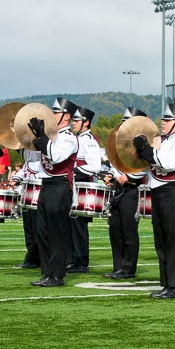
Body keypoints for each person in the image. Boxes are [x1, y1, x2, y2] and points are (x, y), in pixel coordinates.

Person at [133, 104, 175, 299]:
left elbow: (167, 164)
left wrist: (147, 149)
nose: (163, 123)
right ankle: (167, 283)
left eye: (168, 120)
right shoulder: (163, 141)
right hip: (159, 192)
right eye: (164, 119)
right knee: (161, 241)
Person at [27, 97, 79, 287]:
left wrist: (41, 138)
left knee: (57, 233)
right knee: (42, 231)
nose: (51, 115)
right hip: (46, 185)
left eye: (56, 113)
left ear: (66, 117)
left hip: (60, 186)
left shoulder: (68, 138)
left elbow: (56, 157)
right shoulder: (50, 135)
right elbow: (32, 158)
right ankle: (47, 272)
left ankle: (57, 275)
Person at [103, 107, 150, 280]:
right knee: (115, 228)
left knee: (129, 230)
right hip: (118, 188)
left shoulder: (145, 143)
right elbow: (114, 163)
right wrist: (111, 175)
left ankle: (128, 268)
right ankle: (118, 266)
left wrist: (129, 176)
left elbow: (146, 166)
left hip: (132, 189)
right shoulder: (120, 143)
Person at [66, 106, 102, 274]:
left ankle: (81, 262)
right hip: (71, 186)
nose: (73, 123)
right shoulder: (75, 138)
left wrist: (74, 172)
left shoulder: (89, 140)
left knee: (79, 226)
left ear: (86, 123)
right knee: (70, 225)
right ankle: (71, 259)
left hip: (80, 188)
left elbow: (95, 165)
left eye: (77, 120)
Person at [10, 149, 42, 269]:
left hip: (39, 197)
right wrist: (16, 178)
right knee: (29, 228)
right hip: (27, 197)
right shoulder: (29, 161)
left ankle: (39, 256)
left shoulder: (43, 160)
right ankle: (32, 256)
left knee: (38, 228)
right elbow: (24, 171)